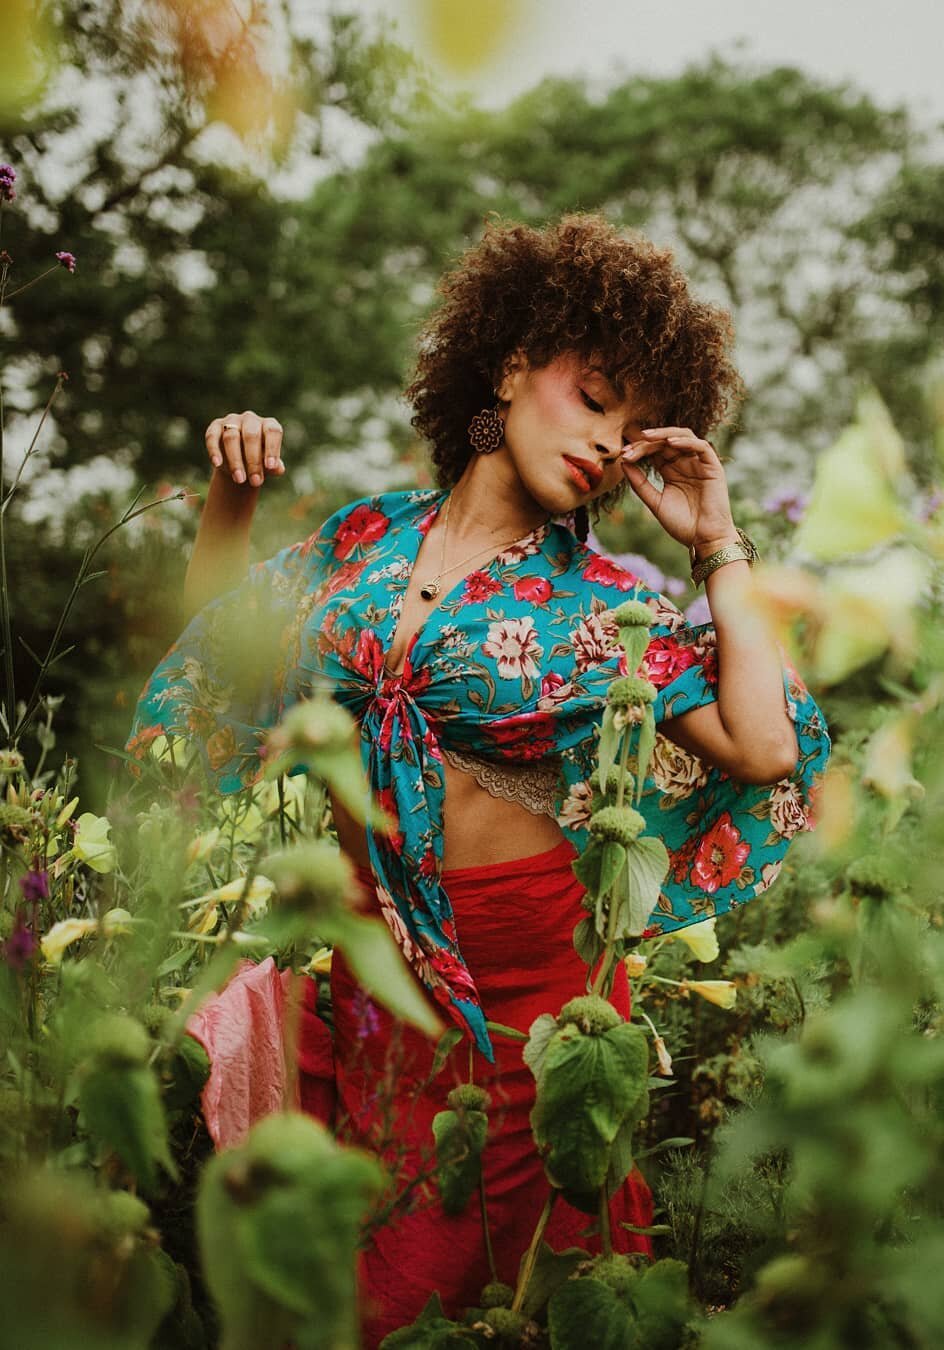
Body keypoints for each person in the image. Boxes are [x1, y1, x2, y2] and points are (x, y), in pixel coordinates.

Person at [127, 214, 831, 1340]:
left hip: (524, 1009)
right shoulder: (364, 544)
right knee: (349, 1291)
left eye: (635, 427)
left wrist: (716, 542)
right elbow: (221, 666)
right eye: (596, 397)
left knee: (499, 1288)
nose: (608, 441)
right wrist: (232, 494)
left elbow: (763, 747)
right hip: (366, 977)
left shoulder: (603, 602)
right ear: (509, 367)